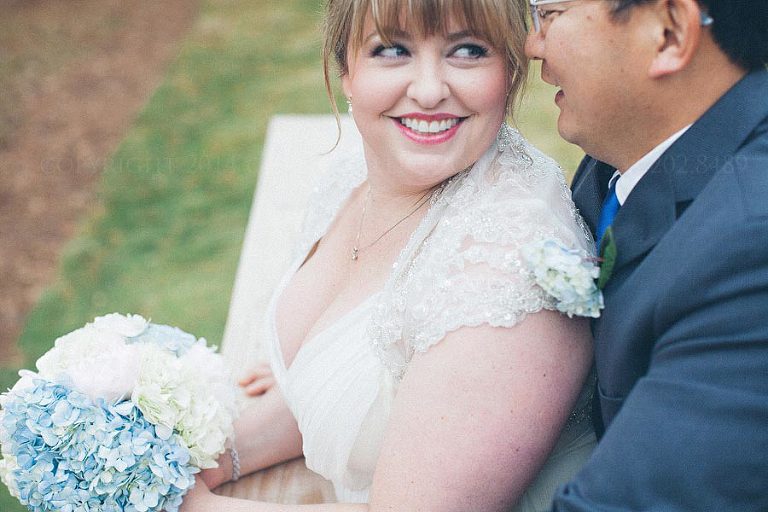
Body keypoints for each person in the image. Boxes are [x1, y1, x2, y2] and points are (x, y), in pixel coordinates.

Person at [179, 0, 598, 510]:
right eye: (392, 49)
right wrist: (207, 457)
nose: (427, 90)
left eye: (468, 50)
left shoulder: (509, 276)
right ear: (346, 70)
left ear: (510, 71)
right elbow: (355, 392)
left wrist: (187, 505)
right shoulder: (356, 177)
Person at [524, 0, 768, 509]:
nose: (531, 46)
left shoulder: (750, 245)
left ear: (669, 33)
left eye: (550, 13)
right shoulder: (619, 155)